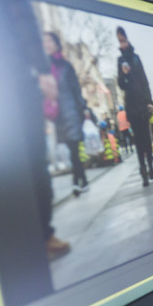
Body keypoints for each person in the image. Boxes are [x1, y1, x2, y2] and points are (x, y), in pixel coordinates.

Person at [43, 31, 89, 195]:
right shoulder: (44, 68)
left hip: (71, 110)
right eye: (44, 42)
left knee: (74, 148)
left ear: (56, 44)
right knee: (71, 149)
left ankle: (76, 182)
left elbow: (75, 88)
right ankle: (82, 179)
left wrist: (83, 107)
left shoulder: (65, 66)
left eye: (49, 41)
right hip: (58, 114)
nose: (47, 44)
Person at [116, 26, 153, 186]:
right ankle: (143, 170)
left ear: (127, 40)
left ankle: (150, 163)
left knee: (146, 138)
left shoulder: (136, 58)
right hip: (131, 106)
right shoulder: (120, 61)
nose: (122, 44)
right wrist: (123, 75)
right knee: (138, 141)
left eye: (123, 40)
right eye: (119, 41)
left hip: (142, 104)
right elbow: (121, 85)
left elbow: (145, 81)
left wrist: (149, 102)